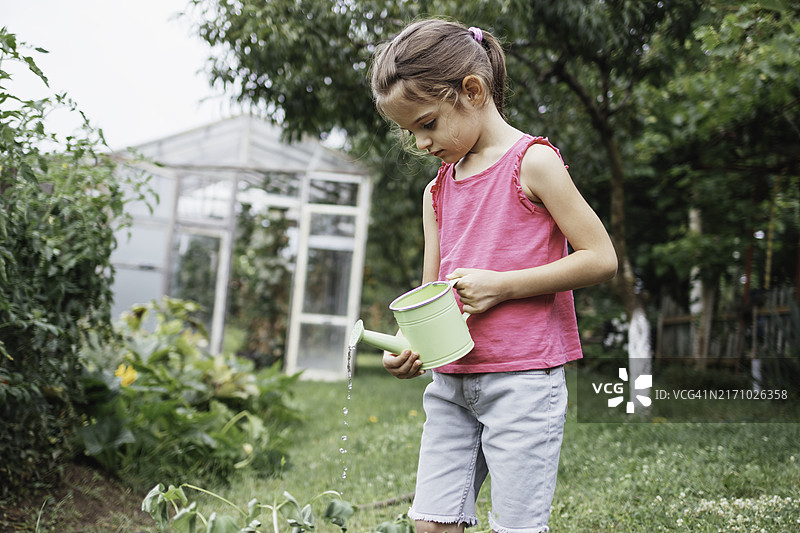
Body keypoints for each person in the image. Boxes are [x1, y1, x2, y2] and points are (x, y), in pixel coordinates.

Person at [369, 18, 618, 533]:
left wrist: (503, 286)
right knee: (432, 523)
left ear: (473, 91)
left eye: (428, 124)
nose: (420, 143)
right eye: (410, 131)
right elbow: (431, 295)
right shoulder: (435, 193)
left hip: (524, 381)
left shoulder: (534, 162)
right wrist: (410, 344)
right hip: (451, 384)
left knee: (517, 527)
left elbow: (600, 258)